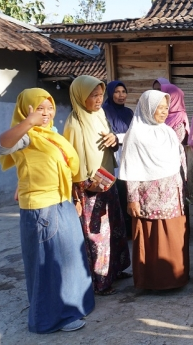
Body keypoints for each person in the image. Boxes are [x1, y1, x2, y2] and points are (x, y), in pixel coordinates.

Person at [0, 88, 94, 333]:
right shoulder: (28, 135)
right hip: (43, 208)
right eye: (40, 108)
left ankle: (72, 307)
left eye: (49, 108)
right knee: (50, 264)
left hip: (61, 203)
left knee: (70, 261)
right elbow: (0, 146)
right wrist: (28, 122)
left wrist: (73, 197)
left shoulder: (50, 134)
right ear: (26, 110)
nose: (46, 113)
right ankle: (51, 319)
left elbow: (51, 167)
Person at [64, 75, 131, 296]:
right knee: (97, 233)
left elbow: (108, 141)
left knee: (114, 226)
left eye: (100, 95)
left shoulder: (100, 114)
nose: (98, 99)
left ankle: (116, 269)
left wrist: (113, 139)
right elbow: (71, 158)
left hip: (107, 179)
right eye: (93, 95)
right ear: (81, 96)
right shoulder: (75, 122)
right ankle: (100, 281)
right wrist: (84, 184)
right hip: (89, 186)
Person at [120, 90, 189, 291]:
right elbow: (130, 168)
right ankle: (154, 282)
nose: (163, 112)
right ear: (147, 108)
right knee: (153, 238)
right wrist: (132, 199)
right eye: (159, 107)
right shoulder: (136, 134)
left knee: (174, 236)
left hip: (172, 195)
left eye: (166, 108)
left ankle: (176, 278)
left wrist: (182, 189)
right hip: (149, 197)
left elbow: (180, 161)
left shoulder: (167, 131)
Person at [102, 80, 134, 234]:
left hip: (127, 153)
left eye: (123, 92)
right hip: (112, 154)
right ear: (110, 93)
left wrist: (120, 137)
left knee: (127, 189)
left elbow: (134, 132)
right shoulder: (104, 112)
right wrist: (121, 138)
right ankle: (116, 228)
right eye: (117, 92)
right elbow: (105, 135)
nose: (121, 95)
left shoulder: (129, 113)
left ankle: (128, 228)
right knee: (115, 189)